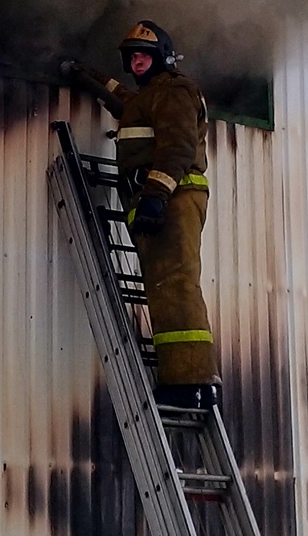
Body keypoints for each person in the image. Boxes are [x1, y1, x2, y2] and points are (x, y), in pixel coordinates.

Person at [62, 21, 218, 407]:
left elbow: (178, 147)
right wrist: (80, 73)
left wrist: (157, 194)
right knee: (163, 287)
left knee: (176, 284)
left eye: (143, 55)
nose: (136, 62)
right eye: (131, 57)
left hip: (172, 197)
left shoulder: (175, 90)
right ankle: (182, 376)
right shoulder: (146, 99)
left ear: (162, 56)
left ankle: (193, 382)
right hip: (152, 199)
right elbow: (119, 97)